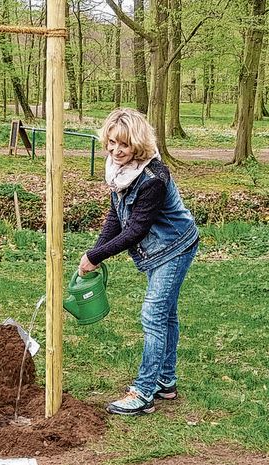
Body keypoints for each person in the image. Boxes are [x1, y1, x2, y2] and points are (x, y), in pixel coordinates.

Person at [78, 108, 199, 416]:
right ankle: (166, 382)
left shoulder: (153, 178)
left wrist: (96, 256)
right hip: (158, 249)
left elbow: (136, 229)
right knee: (166, 315)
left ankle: (143, 393)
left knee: (153, 315)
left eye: (125, 145)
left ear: (138, 145)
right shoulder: (118, 171)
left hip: (174, 247)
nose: (116, 150)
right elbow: (115, 218)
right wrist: (92, 253)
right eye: (112, 143)